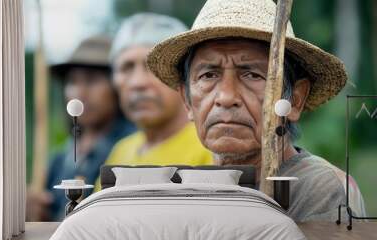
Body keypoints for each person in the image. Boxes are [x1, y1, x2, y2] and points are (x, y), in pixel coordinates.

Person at [146, 0, 366, 221]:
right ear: (186, 100)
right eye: (208, 75)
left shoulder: (320, 189)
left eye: (252, 75)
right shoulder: (196, 189)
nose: (226, 97)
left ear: (295, 100)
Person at [94, 13, 213, 192]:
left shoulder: (210, 148)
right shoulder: (121, 151)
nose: (138, 83)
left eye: (151, 66)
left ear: (183, 77)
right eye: (126, 67)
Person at [27, 35, 135, 221]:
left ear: (117, 86)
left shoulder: (132, 148)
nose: (79, 93)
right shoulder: (59, 160)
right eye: (72, 82)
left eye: (92, 80)